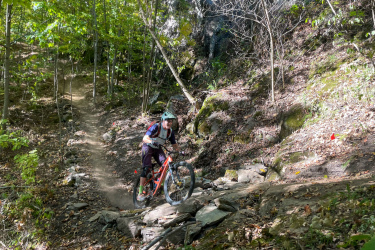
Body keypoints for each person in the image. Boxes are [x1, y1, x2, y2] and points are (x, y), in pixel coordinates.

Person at [138, 111, 181, 201]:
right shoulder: (156, 127)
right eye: (167, 121)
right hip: (148, 146)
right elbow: (145, 138)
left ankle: (159, 184)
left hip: (158, 148)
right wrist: (151, 141)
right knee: (147, 168)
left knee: (165, 165)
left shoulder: (170, 132)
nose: (169, 123)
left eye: (171, 121)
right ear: (162, 121)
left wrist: (180, 151)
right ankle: (140, 193)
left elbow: (174, 144)